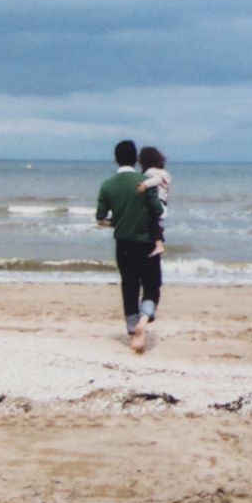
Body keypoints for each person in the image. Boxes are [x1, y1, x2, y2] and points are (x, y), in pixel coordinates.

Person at [95, 139, 164, 352]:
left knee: (129, 285)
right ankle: (144, 319)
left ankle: (133, 331)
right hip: (147, 243)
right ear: (135, 159)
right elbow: (157, 211)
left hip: (123, 244)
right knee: (152, 285)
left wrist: (118, 221)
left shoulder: (107, 185)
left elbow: (100, 218)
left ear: (116, 159)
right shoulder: (144, 181)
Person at [135, 145, 171, 256]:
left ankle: (159, 245)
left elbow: (157, 180)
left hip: (157, 203)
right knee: (155, 224)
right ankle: (159, 240)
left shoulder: (150, 172)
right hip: (164, 204)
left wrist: (145, 185)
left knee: (150, 222)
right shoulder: (165, 172)